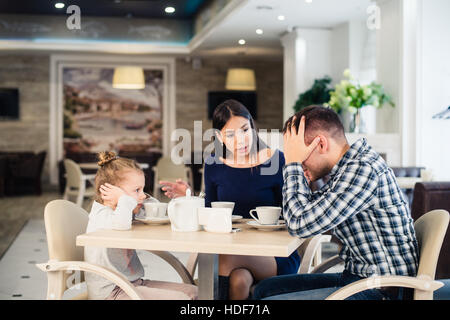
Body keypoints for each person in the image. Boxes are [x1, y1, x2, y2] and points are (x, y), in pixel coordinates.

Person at [252, 105, 419, 300]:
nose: (299, 164)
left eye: (298, 155)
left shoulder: (363, 169)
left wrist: (292, 165)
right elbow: (310, 211)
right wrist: (298, 167)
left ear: (321, 144)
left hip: (383, 290)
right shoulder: (347, 170)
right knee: (265, 289)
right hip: (358, 279)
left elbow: (299, 225)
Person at [160, 99, 300, 300]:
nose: (241, 140)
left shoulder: (277, 160)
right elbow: (211, 213)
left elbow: (291, 212)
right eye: (231, 134)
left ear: (252, 126)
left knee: (222, 258)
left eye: (244, 130)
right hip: (233, 249)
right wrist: (191, 196)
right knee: (239, 280)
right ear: (219, 136)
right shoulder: (214, 164)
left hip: (274, 254)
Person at [84, 151, 198, 300]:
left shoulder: (126, 211)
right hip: (111, 292)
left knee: (195, 293)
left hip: (134, 284)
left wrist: (182, 200)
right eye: (137, 190)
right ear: (110, 191)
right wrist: (125, 199)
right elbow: (121, 225)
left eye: (143, 189)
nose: (143, 195)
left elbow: (153, 213)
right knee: (183, 299)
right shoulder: (101, 215)